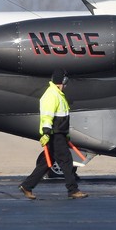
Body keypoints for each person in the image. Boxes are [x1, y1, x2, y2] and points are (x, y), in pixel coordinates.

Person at [19, 69, 87, 200]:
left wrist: (65, 134)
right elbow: (47, 115)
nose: (66, 85)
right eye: (65, 81)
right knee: (66, 161)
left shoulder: (57, 94)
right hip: (55, 134)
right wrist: (46, 132)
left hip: (59, 133)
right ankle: (73, 190)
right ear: (62, 81)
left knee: (46, 163)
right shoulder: (52, 95)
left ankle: (27, 186)